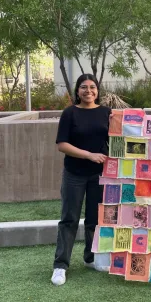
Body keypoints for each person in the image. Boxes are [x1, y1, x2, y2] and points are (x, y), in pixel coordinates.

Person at [51, 73, 111, 286]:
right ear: (77, 91)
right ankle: (60, 265)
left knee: (95, 220)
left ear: (97, 90)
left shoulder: (106, 113)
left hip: (99, 175)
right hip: (74, 174)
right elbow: (62, 144)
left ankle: (91, 257)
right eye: (84, 87)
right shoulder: (70, 113)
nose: (88, 91)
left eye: (92, 87)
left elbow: (116, 138)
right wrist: (89, 155)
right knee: (69, 219)